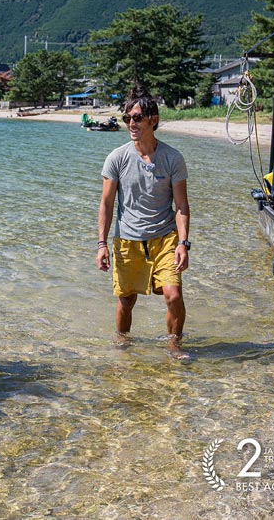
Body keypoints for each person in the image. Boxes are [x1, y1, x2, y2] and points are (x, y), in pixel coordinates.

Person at [96, 84, 191, 358]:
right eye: (127, 118)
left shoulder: (173, 158)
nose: (131, 123)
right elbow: (106, 204)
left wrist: (183, 243)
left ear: (153, 120)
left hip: (165, 239)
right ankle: (123, 346)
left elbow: (182, 206)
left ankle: (174, 346)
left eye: (137, 118)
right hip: (128, 240)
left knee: (173, 295)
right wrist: (102, 244)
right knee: (126, 301)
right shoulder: (117, 158)